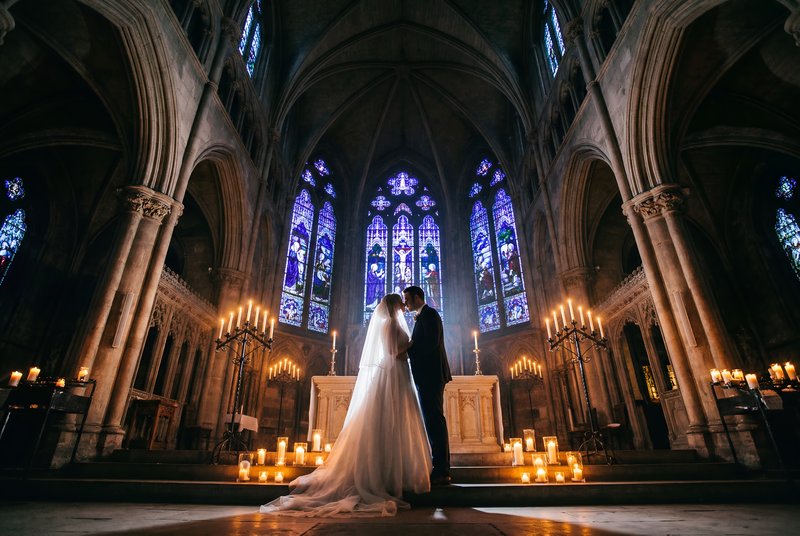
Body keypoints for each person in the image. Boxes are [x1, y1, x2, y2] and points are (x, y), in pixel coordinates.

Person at [261, 294, 431, 517]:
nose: (403, 304)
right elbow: (393, 353)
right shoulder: (389, 324)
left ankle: (397, 475)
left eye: (403, 301)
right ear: (392, 305)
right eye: (400, 301)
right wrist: (411, 347)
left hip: (398, 376)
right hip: (393, 375)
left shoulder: (394, 322)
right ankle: (387, 476)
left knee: (400, 422)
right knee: (387, 420)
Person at [402, 285, 452, 485]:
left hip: (431, 375)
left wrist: (406, 352)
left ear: (416, 297)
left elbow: (430, 344)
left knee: (434, 421)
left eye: (407, 299)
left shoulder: (430, 314)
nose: (405, 303)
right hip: (427, 376)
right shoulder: (423, 316)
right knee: (432, 420)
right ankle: (439, 466)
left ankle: (442, 470)